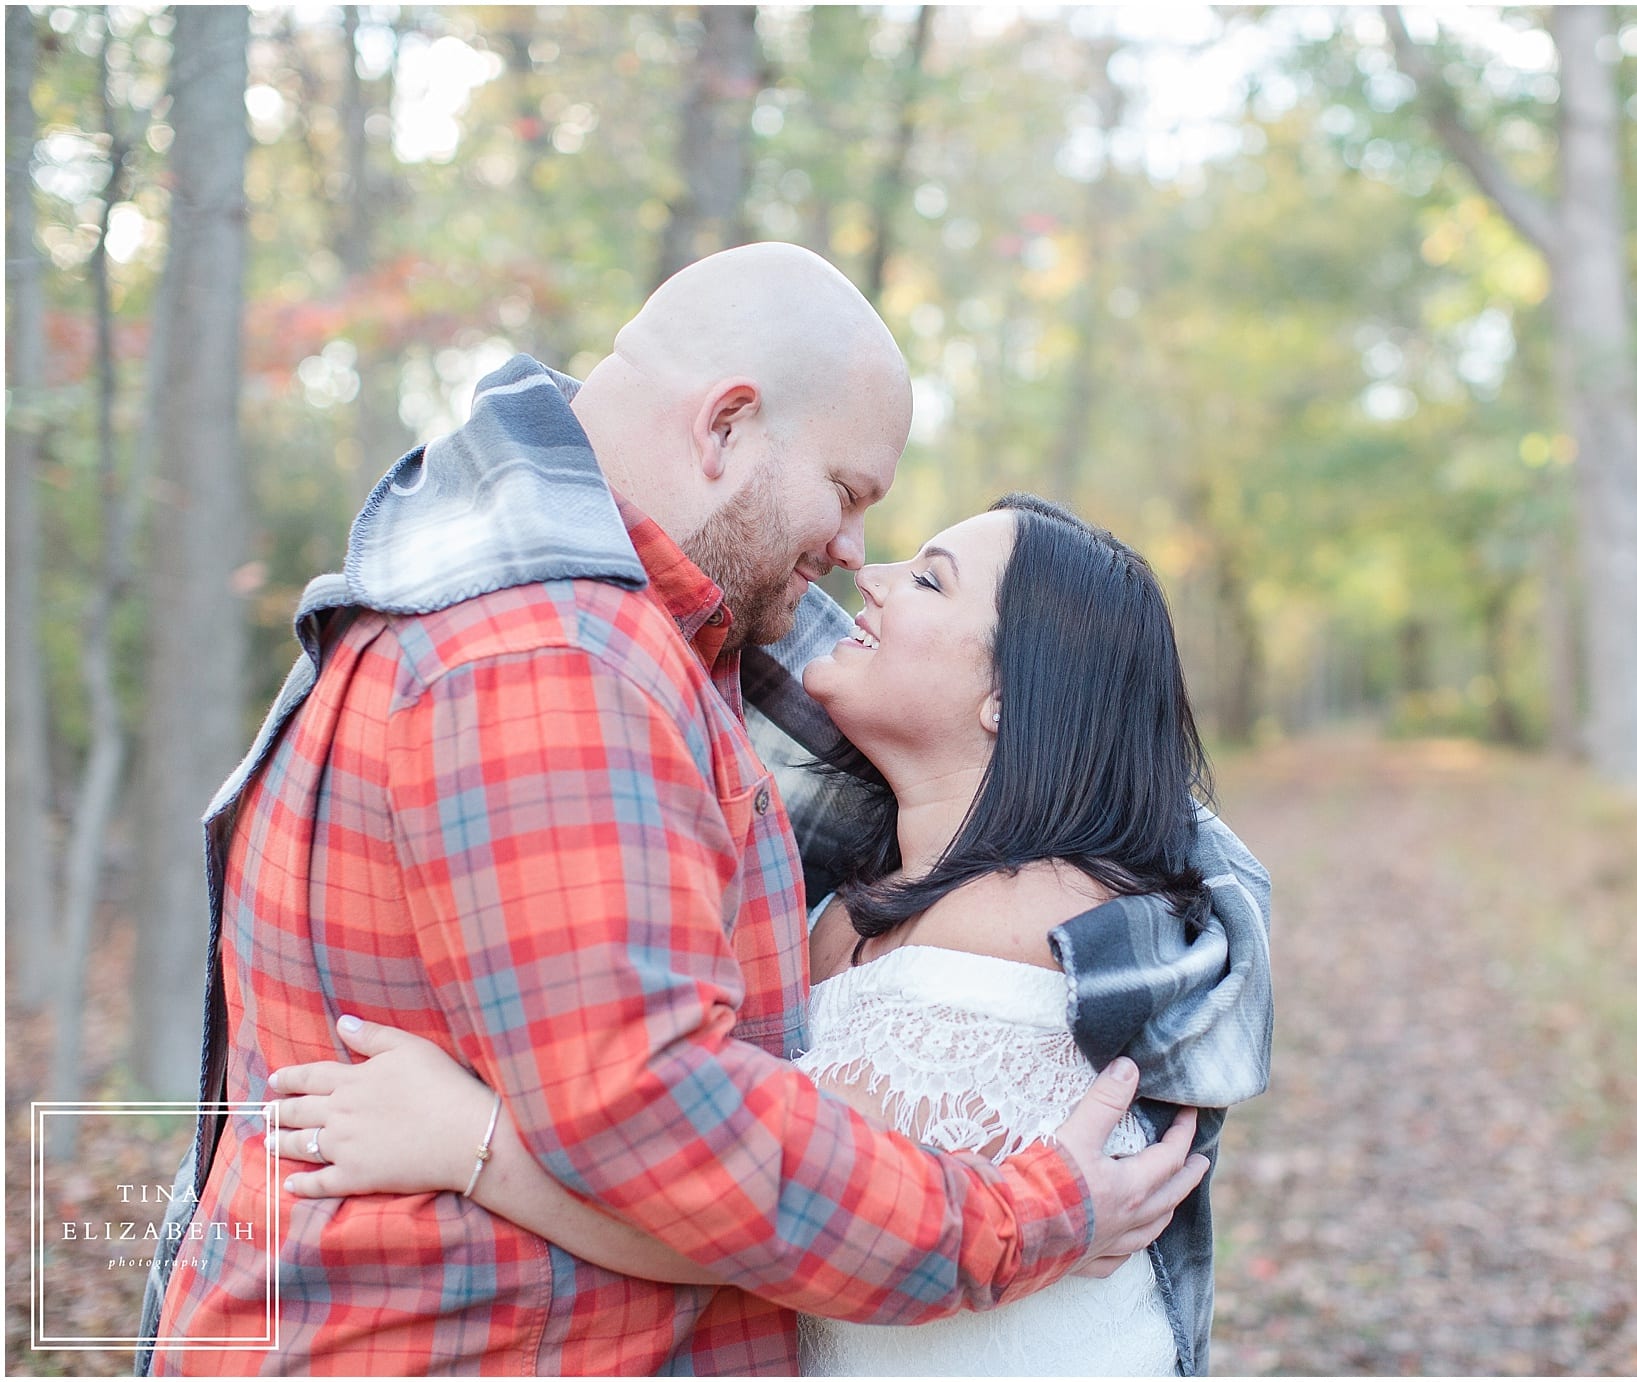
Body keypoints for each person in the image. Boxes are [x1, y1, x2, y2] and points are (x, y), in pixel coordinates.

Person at [136, 244, 1241, 1376]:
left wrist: (1210, 921)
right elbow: (653, 1116)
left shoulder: (646, 609)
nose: (857, 554)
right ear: (724, 429)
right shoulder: (559, 653)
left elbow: (1061, 732)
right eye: (848, 492)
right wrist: (1025, 1217)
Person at [263, 494, 1273, 1374]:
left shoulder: (1010, 932)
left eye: (927, 579)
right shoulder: (862, 897)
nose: (870, 578)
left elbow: (740, 1222)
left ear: (1009, 695)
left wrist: (464, 1139)